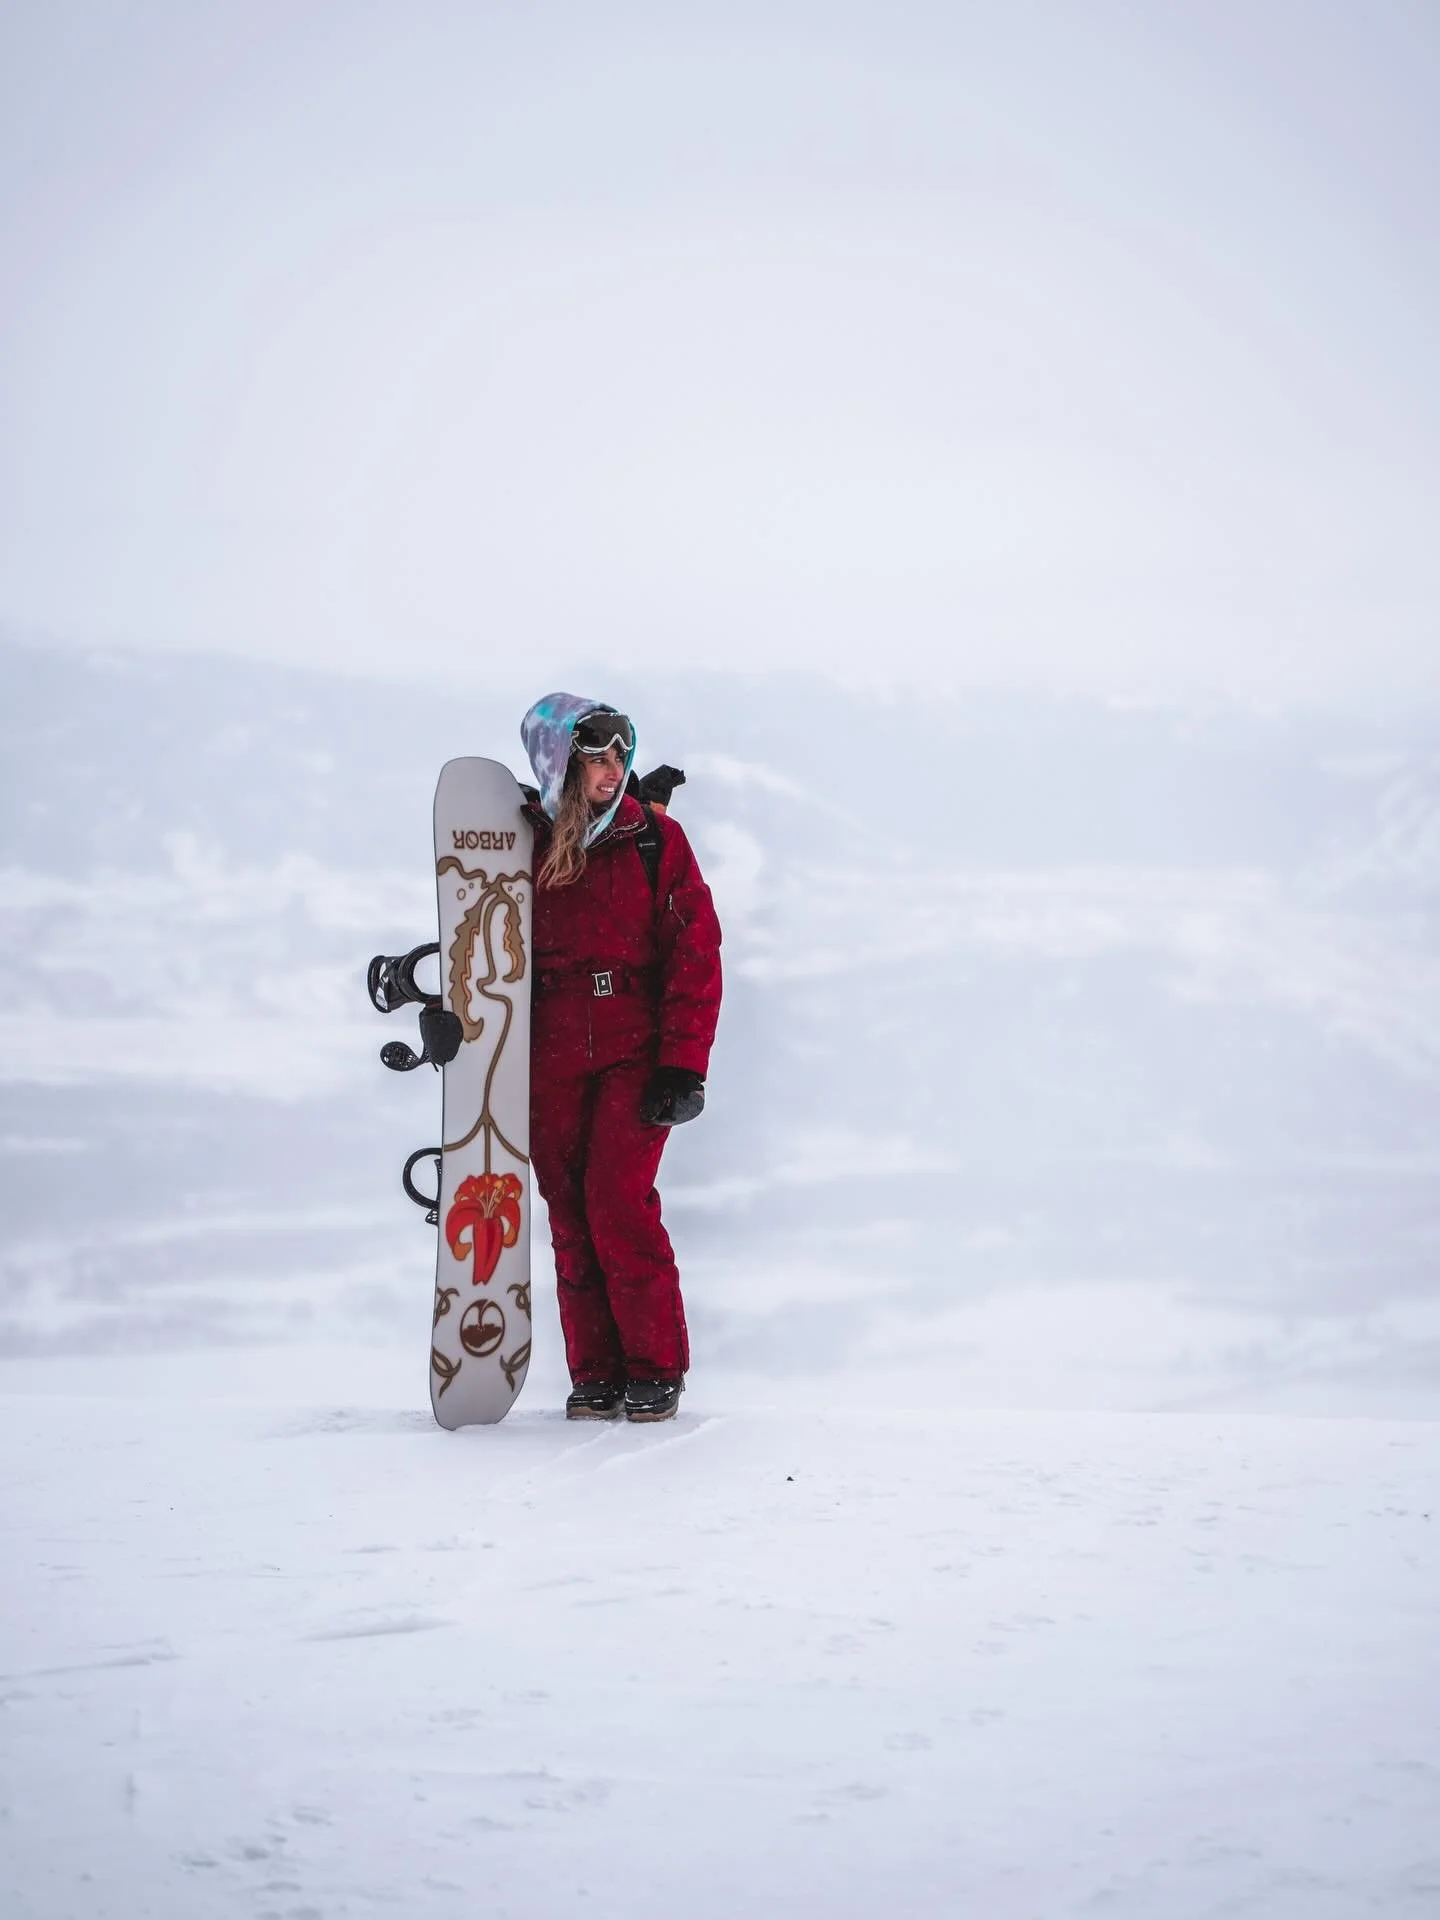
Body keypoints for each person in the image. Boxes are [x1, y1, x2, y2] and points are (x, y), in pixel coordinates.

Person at [520, 693, 723, 1423]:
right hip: (549, 1049)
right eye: (594, 759)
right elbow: (482, 939)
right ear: (557, 765)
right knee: (569, 1210)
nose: (611, 772)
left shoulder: (654, 841)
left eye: (618, 758)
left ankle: (653, 1366)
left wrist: (684, 1064)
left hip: (634, 1046)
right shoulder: (523, 843)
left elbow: (696, 950)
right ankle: (596, 1372)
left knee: (616, 1201)